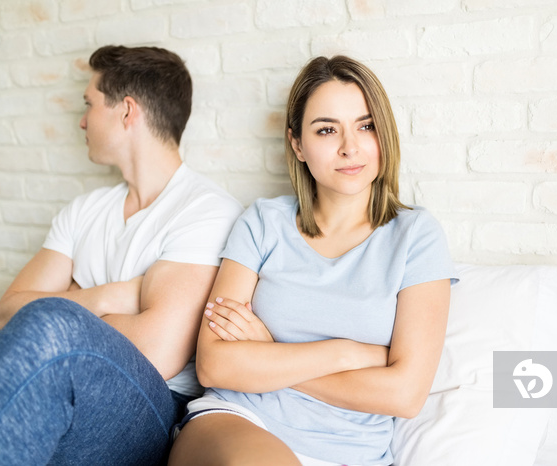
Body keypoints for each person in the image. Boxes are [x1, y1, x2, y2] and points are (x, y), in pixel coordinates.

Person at [169, 55, 458, 466]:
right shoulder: (263, 222)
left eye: (366, 125)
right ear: (298, 145)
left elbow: (404, 394)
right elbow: (215, 365)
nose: (350, 147)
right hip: (243, 419)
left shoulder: (416, 236)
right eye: (327, 130)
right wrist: (345, 353)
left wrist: (270, 354)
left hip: (351, 451)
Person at [0, 45, 243, 465]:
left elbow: (158, 351)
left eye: (89, 104)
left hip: (155, 406)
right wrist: (109, 296)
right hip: (78, 377)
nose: (82, 121)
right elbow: (8, 312)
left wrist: (66, 304)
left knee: (53, 324)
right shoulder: (84, 210)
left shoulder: (206, 211)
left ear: (127, 111)